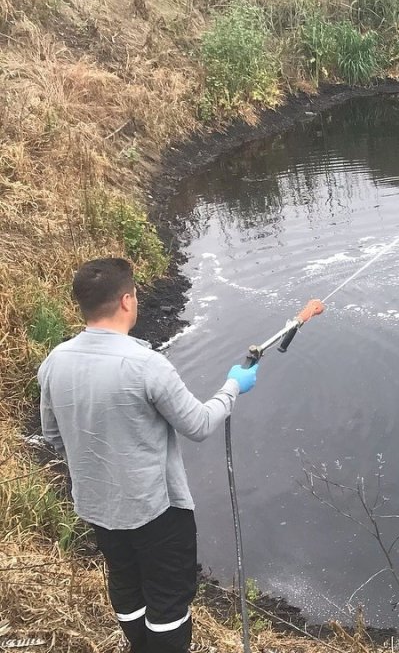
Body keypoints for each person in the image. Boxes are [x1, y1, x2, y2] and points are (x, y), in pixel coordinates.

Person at [38, 258, 259, 652]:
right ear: (126, 301)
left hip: (96, 508)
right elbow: (199, 425)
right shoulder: (147, 365)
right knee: (168, 602)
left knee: (125, 585)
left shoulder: (54, 362)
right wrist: (233, 386)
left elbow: (54, 438)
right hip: (157, 513)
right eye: (136, 294)